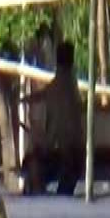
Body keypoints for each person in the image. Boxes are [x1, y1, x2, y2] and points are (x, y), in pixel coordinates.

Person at [25, 41, 83, 196]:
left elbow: (48, 94)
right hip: (71, 151)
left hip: (67, 153)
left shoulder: (64, 84)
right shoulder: (68, 83)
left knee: (35, 164)